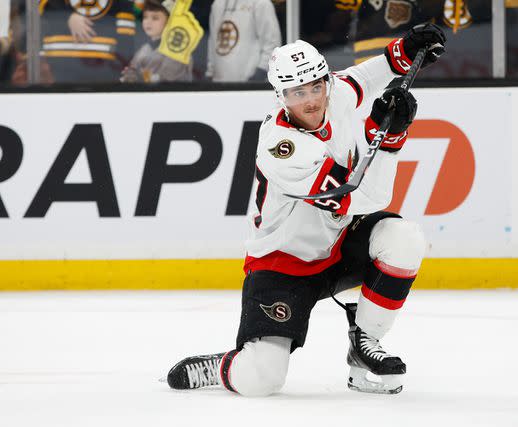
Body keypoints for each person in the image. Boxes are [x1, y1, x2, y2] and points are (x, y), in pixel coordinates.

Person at [166, 24, 446, 396]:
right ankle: (224, 366)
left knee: (404, 239)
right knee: (260, 381)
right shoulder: (282, 148)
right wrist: (390, 140)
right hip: (283, 264)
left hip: (337, 244)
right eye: (298, 93)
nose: (312, 100)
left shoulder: (335, 93)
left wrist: (405, 51)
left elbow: (363, 76)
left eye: (316, 86)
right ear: (280, 95)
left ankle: (364, 346)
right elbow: (365, 197)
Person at [39, 0, 136, 83]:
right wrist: (68, 17)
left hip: (104, 77)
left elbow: (125, 42)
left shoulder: (122, 4)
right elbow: (40, 13)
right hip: (58, 73)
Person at [206, 0, 281, 82]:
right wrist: (210, 72)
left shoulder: (261, 3)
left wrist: (261, 73)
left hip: (250, 86)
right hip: (218, 84)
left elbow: (272, 43)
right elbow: (213, 42)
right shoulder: (217, 4)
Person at [121, 0, 193, 83]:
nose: (148, 22)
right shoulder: (144, 49)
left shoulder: (178, 50)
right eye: (145, 17)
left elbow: (163, 79)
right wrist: (129, 76)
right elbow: (131, 73)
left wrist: (137, 76)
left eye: (155, 18)